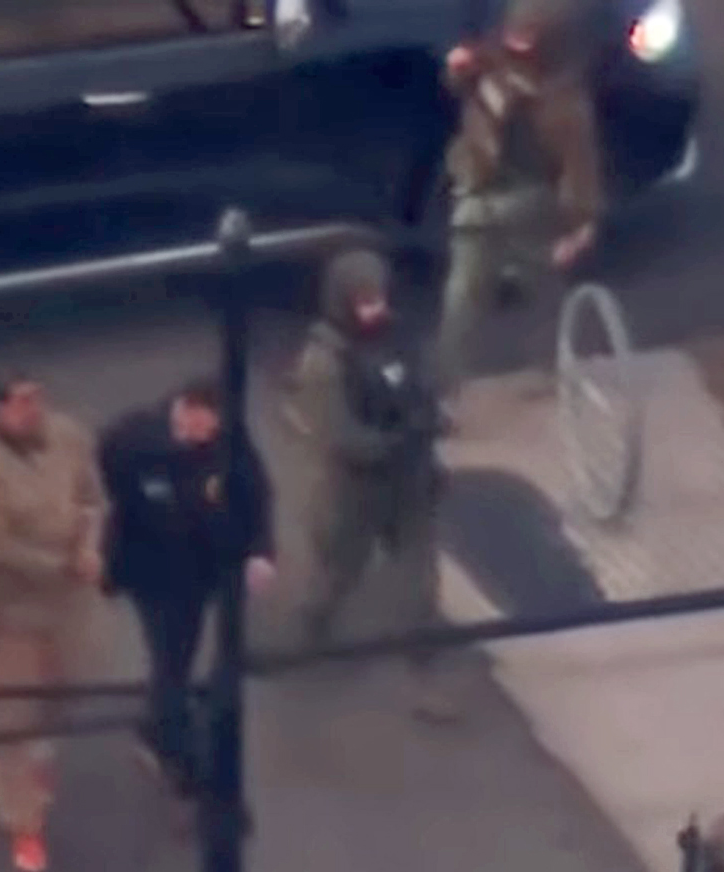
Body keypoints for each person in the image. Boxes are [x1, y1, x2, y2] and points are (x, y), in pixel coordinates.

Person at [0, 367, 107, 872]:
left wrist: (89, 546)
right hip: (9, 607)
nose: (33, 409)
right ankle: (22, 821)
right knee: (9, 714)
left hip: (69, 596)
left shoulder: (66, 436)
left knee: (68, 683)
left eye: (36, 396)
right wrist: (58, 563)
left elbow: (92, 499)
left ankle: (41, 752)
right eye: (20, 402)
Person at [96, 375, 275, 811]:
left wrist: (261, 551)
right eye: (204, 426)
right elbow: (115, 489)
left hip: (210, 566)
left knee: (203, 658)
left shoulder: (228, 436)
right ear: (186, 410)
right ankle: (185, 763)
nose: (210, 437)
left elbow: (255, 490)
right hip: (155, 576)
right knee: (172, 660)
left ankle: (164, 727)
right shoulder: (132, 439)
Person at [291, 249, 455, 722]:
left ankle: (425, 677)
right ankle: (313, 621)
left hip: (410, 481)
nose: (375, 309)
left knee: (420, 581)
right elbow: (341, 436)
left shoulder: (399, 335)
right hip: (355, 491)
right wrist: (399, 439)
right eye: (363, 300)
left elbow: (424, 382)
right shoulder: (323, 362)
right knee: (339, 572)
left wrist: (431, 417)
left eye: (379, 297)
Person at [432, 0, 610, 401]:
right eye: (516, 31)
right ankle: (443, 391)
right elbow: (458, 85)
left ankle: (552, 368)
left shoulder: (566, 104)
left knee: (542, 288)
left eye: (528, 36)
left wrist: (580, 226)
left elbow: (581, 170)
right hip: (478, 187)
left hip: (530, 201)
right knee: (462, 293)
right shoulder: (491, 61)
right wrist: (457, 70)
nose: (517, 41)